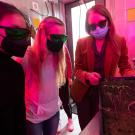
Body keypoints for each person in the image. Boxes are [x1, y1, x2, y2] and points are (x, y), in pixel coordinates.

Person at [73, 4, 135, 130]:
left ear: (109, 22)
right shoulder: (81, 43)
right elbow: (77, 69)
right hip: (83, 93)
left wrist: (131, 76)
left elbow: (125, 66)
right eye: (92, 26)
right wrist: (86, 75)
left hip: (106, 93)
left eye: (101, 23)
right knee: (87, 127)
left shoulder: (119, 41)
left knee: (106, 125)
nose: (97, 29)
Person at [20, 16, 68, 135]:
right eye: (55, 37)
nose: (60, 42)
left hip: (53, 112)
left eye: (63, 37)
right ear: (42, 35)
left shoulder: (59, 55)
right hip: (34, 116)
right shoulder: (27, 57)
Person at [0, 1, 31, 135]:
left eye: (25, 34)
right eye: (16, 32)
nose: (23, 40)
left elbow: (18, 119)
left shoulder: (15, 71)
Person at [58, 46, 74, 132]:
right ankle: (57, 121)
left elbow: (68, 61)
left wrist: (69, 77)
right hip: (51, 79)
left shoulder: (63, 46)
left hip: (63, 78)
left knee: (65, 100)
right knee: (54, 102)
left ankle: (70, 119)